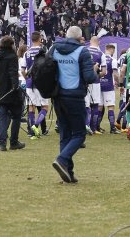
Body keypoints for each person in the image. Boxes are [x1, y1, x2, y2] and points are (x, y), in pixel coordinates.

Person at [49, 26, 96, 184]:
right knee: (79, 134)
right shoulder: (82, 52)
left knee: (65, 134)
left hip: (57, 96)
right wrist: (95, 71)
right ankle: (62, 160)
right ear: (80, 38)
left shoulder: (54, 48)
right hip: (74, 97)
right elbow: (89, 77)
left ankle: (67, 173)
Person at [0, 36, 25, 152]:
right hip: (11, 92)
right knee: (16, 116)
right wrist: (15, 86)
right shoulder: (12, 57)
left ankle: (2, 143)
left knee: (2, 117)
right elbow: (13, 73)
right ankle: (14, 142)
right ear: (11, 45)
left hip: (0, 92)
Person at [23, 32, 49, 138]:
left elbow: (22, 70)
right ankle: (36, 125)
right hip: (41, 83)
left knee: (31, 107)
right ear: (39, 39)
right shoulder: (44, 51)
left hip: (30, 83)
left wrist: (27, 79)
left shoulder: (27, 53)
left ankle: (31, 132)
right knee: (45, 107)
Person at [96, 44, 120, 134]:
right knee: (110, 106)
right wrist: (117, 82)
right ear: (112, 50)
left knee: (99, 107)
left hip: (99, 85)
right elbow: (115, 74)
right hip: (109, 85)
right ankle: (112, 128)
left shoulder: (100, 57)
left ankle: (96, 127)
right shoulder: (113, 60)